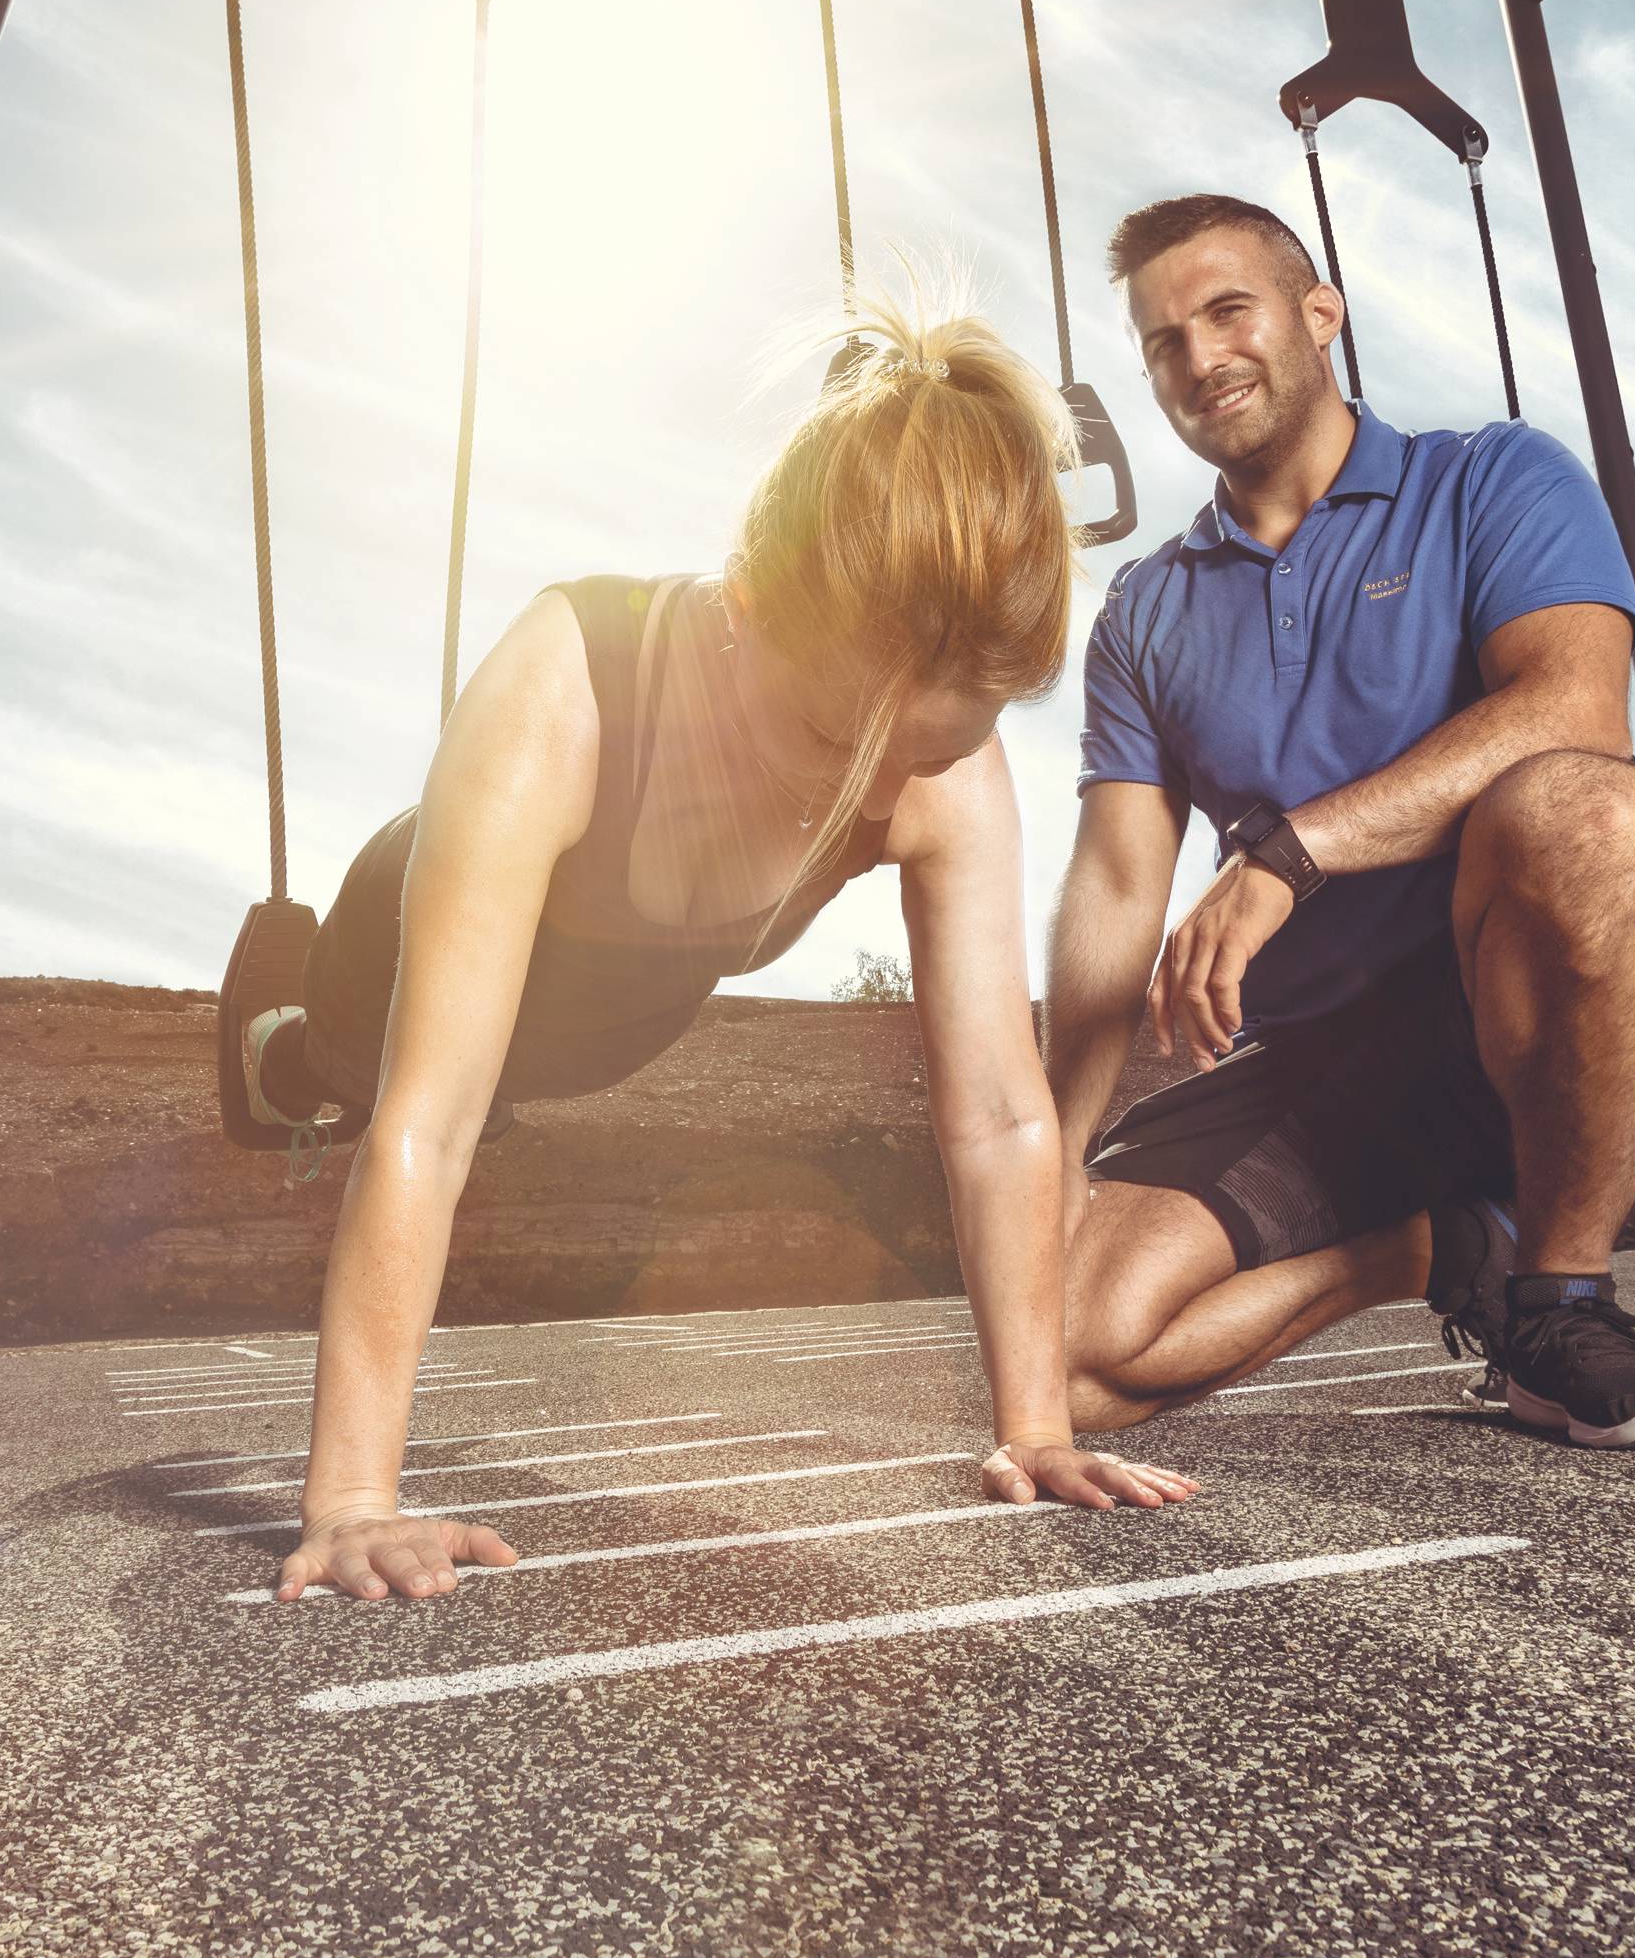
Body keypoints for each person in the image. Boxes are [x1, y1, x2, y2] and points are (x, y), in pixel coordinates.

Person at [243, 298, 1200, 1602]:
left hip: (622, 1013)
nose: (877, 804)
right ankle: (275, 1054)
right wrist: (355, 1500)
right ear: (747, 606)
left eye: (920, 755)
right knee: (356, 1071)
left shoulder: (945, 765)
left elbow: (996, 1116)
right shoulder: (570, 681)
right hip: (382, 955)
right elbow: (428, 1119)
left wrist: (1035, 1429)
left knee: (519, 1079)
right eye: (827, 742)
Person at [1042, 194, 1635, 1450]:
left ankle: (1560, 1307)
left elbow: (1576, 711)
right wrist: (1048, 1143)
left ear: (1319, 315)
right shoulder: (1146, 608)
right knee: (1061, 1361)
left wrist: (1286, 855)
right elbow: (1110, 889)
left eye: (1226, 311)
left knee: (1593, 814)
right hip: (1318, 1062)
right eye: (1161, 342)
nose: (1199, 358)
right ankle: (1442, 1248)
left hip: (1519, 1006)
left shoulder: (1492, 477)